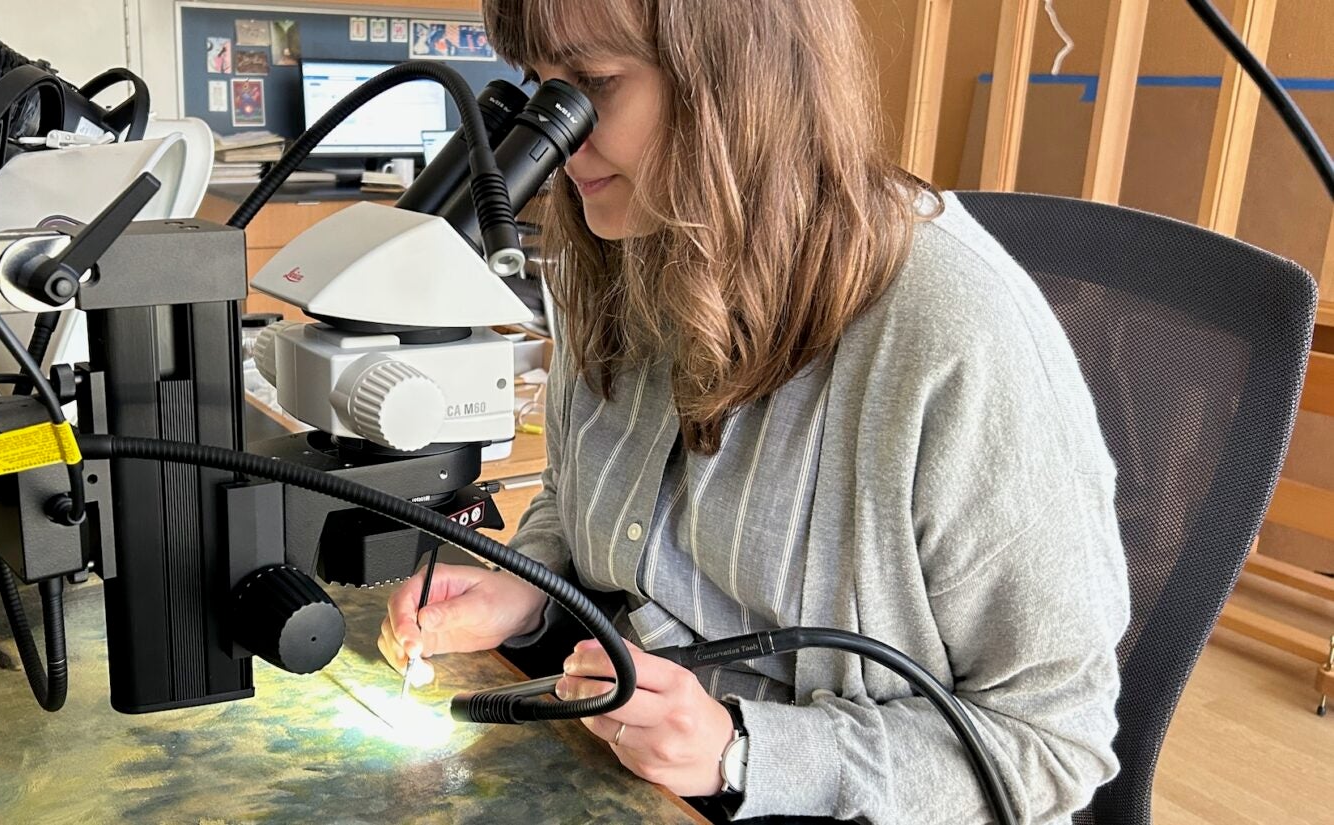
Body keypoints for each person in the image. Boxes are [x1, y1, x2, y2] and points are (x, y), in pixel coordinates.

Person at [378, 1, 1131, 823]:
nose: (560, 141)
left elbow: (1052, 743)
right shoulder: (617, 246)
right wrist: (526, 588)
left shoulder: (956, 333)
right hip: (625, 769)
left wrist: (740, 749)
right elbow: (579, 492)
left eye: (593, 84)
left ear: (738, 86)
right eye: (540, 85)